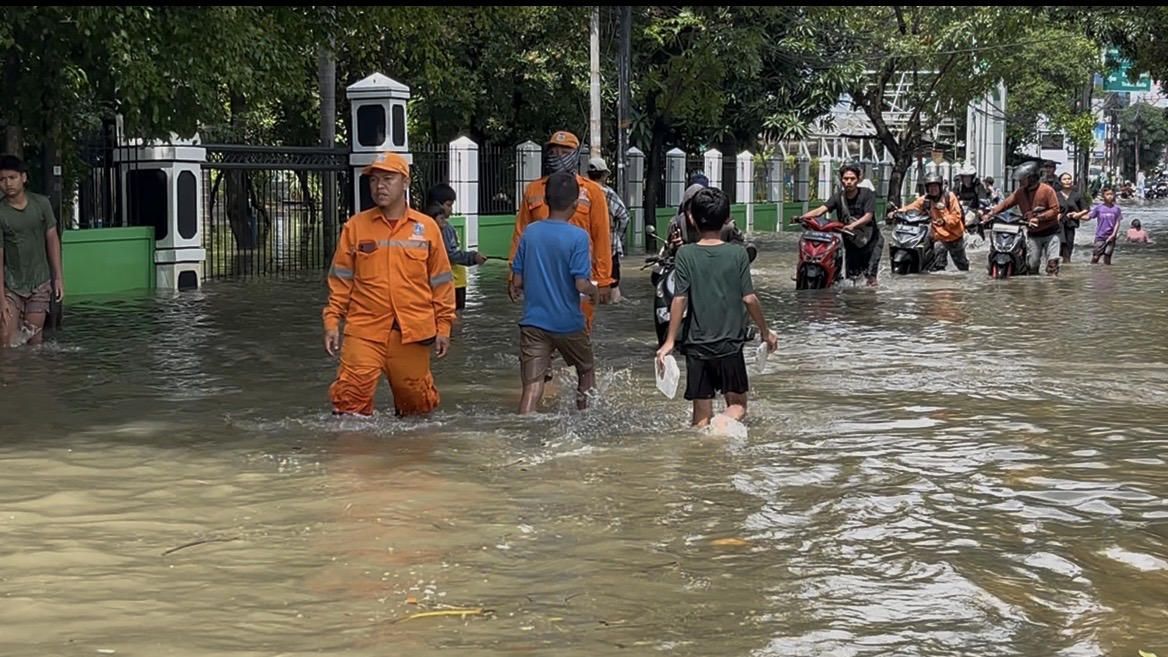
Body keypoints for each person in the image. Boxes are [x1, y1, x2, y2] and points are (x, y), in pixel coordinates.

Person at [322, 151, 457, 417]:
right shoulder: (356, 227)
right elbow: (340, 280)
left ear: (405, 182)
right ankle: (353, 445)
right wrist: (331, 322)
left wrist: (444, 326)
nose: (379, 186)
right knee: (349, 404)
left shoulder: (427, 227)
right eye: (374, 180)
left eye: (387, 179)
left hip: (412, 332)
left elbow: (442, 282)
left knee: (416, 408)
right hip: (364, 330)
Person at [655, 187, 777, 431]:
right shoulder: (737, 254)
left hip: (696, 345)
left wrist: (669, 341)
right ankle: (723, 422)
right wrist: (765, 332)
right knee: (738, 404)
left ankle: (702, 451)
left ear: (691, 218)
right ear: (728, 219)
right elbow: (749, 299)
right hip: (729, 344)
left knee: (700, 415)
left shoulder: (685, 254)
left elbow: (679, 299)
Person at [510, 172, 598, 415]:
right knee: (586, 370)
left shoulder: (530, 232)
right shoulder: (579, 237)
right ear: (576, 204)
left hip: (533, 324)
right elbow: (581, 284)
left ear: (546, 201)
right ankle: (585, 417)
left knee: (532, 388)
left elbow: (517, 281)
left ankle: (522, 426)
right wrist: (595, 291)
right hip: (568, 324)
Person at [508, 130, 612, 333]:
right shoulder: (534, 190)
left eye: (565, 152)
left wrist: (604, 280)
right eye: (554, 152)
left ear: (576, 155)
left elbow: (601, 238)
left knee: (578, 333)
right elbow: (520, 235)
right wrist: (514, 276)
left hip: (580, 277)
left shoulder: (592, 192)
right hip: (541, 278)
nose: (558, 157)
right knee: (538, 331)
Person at [0, 154, 64, 347]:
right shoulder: (1, 212)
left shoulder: (41, 204)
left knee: (33, 341)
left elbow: (52, 238)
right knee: (7, 340)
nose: (7, 183)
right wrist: (1, 298)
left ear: (23, 177)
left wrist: (58, 277)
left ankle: (34, 368)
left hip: (39, 283)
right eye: (2, 179)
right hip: (11, 284)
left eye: (12, 177)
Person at [797, 163, 882, 286]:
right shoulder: (838, 198)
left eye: (852, 179)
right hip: (851, 242)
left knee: (870, 277)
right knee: (852, 279)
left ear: (858, 179)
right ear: (841, 180)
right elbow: (821, 210)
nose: (849, 182)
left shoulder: (867, 194)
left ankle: (871, 295)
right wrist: (801, 218)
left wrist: (852, 226)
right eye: (846, 179)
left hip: (872, 241)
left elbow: (868, 216)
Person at [983, 160, 1062, 276]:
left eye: (1023, 179)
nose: (1020, 181)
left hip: (1051, 233)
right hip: (1033, 233)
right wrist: (990, 214)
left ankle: (1052, 285)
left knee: (1052, 264)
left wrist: (1038, 218)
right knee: (1032, 265)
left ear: (1032, 178)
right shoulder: (1020, 192)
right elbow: (1005, 204)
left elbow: (1055, 210)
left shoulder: (1047, 190)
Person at [425, 183, 486, 319]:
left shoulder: (430, 227)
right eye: (449, 205)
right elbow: (451, 254)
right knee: (454, 316)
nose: (451, 210)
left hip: (447, 281)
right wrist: (473, 257)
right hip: (454, 282)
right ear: (437, 205)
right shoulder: (444, 229)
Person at [888, 172, 968, 271]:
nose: (933, 189)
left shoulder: (949, 197)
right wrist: (896, 212)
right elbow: (912, 207)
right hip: (939, 237)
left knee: (962, 267)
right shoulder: (925, 200)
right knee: (938, 262)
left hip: (955, 237)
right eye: (930, 187)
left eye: (935, 186)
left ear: (940, 186)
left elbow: (956, 215)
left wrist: (944, 221)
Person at [586, 157, 629, 303]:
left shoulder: (581, 191)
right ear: (604, 175)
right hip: (609, 247)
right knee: (613, 285)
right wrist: (617, 237)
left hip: (586, 247)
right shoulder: (607, 193)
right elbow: (624, 217)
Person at [1083, 186, 1123, 265]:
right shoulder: (1099, 208)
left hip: (1111, 236)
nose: (1110, 196)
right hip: (1100, 236)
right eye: (1107, 194)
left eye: (1111, 194)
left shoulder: (1116, 209)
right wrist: (1077, 216)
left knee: (1107, 256)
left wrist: (1113, 235)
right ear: (1103, 196)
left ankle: (1107, 270)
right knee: (1096, 256)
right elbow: (1088, 217)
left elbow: (1117, 222)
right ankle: (1092, 269)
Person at [1055, 172, 1090, 263]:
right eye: (1064, 179)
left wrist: (1078, 215)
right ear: (1060, 182)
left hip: (1070, 226)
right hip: (1057, 226)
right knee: (1056, 251)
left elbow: (1086, 209)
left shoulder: (1076, 195)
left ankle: (1067, 268)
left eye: (1069, 179)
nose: (1067, 181)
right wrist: (1056, 215)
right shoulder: (1055, 195)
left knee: (1067, 251)